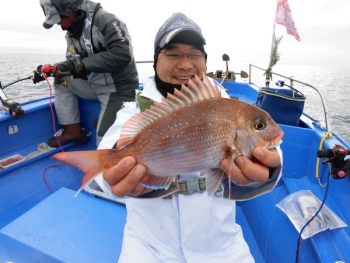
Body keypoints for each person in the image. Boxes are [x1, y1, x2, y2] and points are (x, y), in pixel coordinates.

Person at [95, 12, 283, 262]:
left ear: (205, 61)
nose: (185, 64)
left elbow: (271, 151)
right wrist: (110, 179)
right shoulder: (133, 111)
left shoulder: (225, 105)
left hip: (223, 249)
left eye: (194, 54)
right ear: (155, 60)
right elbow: (109, 152)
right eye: (172, 54)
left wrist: (270, 169)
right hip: (148, 248)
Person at [34, 0, 139, 147]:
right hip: (94, 84)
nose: (59, 25)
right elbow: (73, 62)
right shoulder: (71, 33)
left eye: (59, 19)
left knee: (105, 145)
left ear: (73, 10)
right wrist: (54, 69)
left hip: (118, 89)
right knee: (61, 80)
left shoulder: (107, 20)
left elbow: (122, 53)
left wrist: (85, 65)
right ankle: (73, 131)